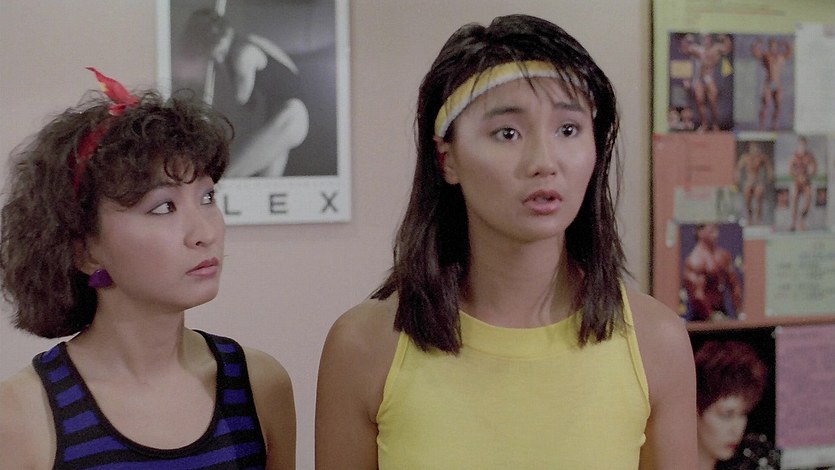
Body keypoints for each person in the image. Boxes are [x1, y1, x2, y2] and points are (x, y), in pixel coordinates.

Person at [315, 14, 697, 469]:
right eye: (508, 133)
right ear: (447, 159)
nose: (544, 161)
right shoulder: (363, 346)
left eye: (568, 129)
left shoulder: (656, 342)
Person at [0, 68, 295, 469]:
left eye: (207, 197)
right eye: (163, 207)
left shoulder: (259, 385)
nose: (204, 233)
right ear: (85, 250)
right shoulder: (22, 414)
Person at [178, 8, 310, 178]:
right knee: (264, 185)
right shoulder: (252, 40)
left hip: (290, 116)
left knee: (227, 178)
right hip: (277, 118)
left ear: (218, 39)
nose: (217, 59)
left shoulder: (243, 57)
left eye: (216, 52)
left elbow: (241, 113)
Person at [694, 340, 777, 470]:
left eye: (743, 413)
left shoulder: (754, 461)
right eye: (726, 415)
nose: (737, 429)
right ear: (695, 412)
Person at [682, 223, 743, 321]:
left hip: (722, 310)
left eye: (716, 230)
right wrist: (711, 316)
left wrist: (739, 311)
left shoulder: (723, 256)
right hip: (702, 316)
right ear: (700, 232)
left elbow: (734, 285)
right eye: (712, 231)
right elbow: (697, 295)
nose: (716, 234)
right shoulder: (695, 260)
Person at [680, 33, 733, 131]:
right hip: (700, 78)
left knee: (713, 102)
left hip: (710, 77)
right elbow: (685, 50)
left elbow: (728, 49)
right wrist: (687, 39)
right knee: (700, 101)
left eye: (707, 38)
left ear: (711, 39)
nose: (705, 40)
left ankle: (716, 124)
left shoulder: (716, 48)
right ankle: (705, 124)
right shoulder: (699, 49)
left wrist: (726, 38)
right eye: (704, 38)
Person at [751, 37, 792, 131]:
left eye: (774, 45)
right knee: (765, 104)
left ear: (777, 46)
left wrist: (784, 42)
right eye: (771, 45)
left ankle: (774, 125)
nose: (773, 47)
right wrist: (757, 43)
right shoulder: (766, 56)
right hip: (769, 83)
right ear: (769, 46)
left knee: (778, 106)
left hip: (777, 84)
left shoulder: (781, 56)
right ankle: (761, 126)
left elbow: (790, 51)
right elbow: (755, 53)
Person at [734, 141, 774, 225]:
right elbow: (738, 168)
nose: (755, 150)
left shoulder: (761, 157)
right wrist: (737, 178)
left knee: (758, 199)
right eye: (753, 148)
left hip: (758, 180)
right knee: (747, 201)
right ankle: (749, 219)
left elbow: (768, 166)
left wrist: (770, 176)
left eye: (756, 148)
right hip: (749, 181)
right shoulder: (745, 157)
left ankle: (758, 220)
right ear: (750, 149)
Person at [788, 136, 817, 231]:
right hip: (797, 181)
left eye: (804, 144)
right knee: (794, 200)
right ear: (798, 145)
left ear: (806, 144)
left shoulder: (809, 156)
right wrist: (797, 175)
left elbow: (814, 167)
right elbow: (790, 170)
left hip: (806, 181)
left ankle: (802, 219)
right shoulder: (794, 156)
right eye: (801, 144)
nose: (802, 146)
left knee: (808, 200)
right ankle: (793, 223)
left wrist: (808, 175)